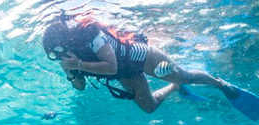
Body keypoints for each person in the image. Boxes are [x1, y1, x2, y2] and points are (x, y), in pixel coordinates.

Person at [42, 14, 253, 115]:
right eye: (54, 54)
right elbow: (80, 88)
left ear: (64, 40)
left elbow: (111, 65)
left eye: (57, 50)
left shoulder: (89, 34)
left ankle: (220, 84)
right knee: (149, 107)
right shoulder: (68, 58)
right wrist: (71, 73)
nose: (58, 55)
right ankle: (175, 87)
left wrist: (78, 64)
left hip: (138, 56)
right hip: (125, 72)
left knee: (184, 75)